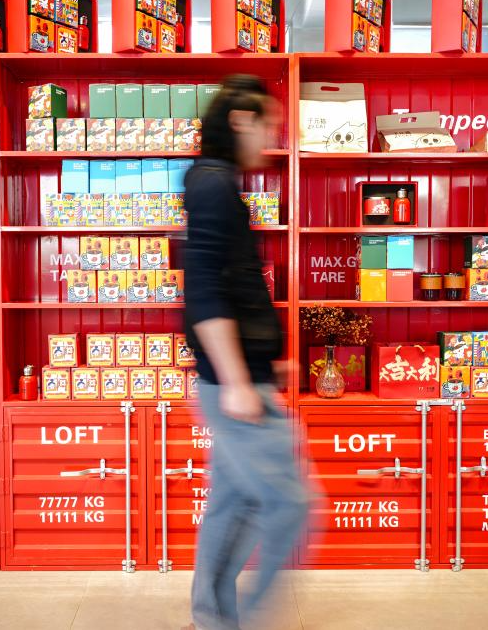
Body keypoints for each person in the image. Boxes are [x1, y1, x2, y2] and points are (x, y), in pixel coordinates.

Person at [183, 75, 308, 630]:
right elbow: (204, 291)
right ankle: (245, 621)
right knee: (290, 503)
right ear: (240, 121)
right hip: (232, 384)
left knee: (232, 505)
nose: (272, 138)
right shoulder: (213, 185)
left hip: (240, 378)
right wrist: (237, 378)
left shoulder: (216, 183)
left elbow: (231, 287)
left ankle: (212, 620)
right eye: (269, 125)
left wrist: (263, 361)